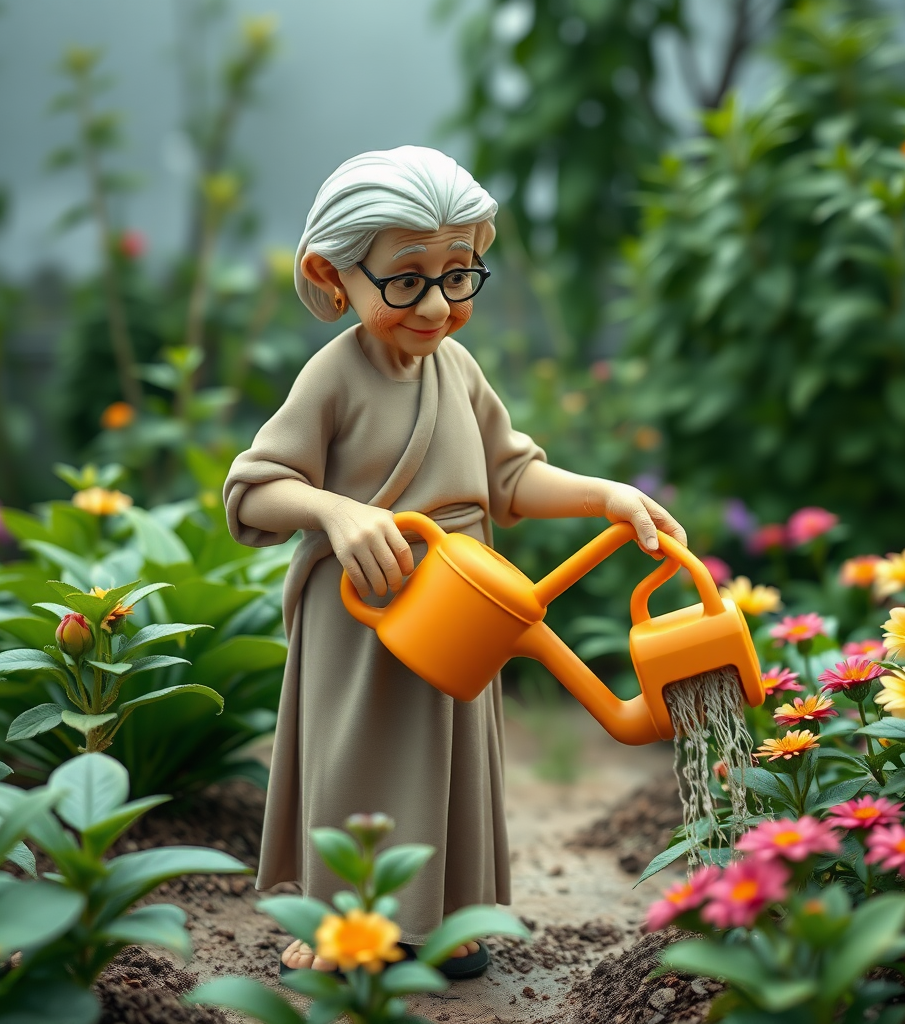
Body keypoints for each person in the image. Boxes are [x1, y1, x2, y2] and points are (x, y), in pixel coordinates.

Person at [223, 146, 685, 977]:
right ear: (334, 276)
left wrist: (604, 495)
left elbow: (512, 473)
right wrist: (337, 512)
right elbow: (253, 491)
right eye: (406, 280)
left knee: (450, 755)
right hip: (363, 610)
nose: (436, 305)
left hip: (462, 606)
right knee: (359, 753)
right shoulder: (332, 377)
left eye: (459, 275)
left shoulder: (457, 370)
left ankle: (444, 914)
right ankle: (342, 918)